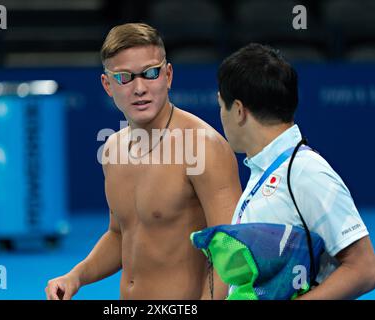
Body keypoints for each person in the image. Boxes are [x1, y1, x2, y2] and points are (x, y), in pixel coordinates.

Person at [45, 23, 242, 300]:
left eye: (150, 73)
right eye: (124, 77)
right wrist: (75, 276)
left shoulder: (203, 147)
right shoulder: (113, 149)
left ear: (168, 75)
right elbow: (119, 235)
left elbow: (230, 249)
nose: (139, 88)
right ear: (107, 85)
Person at [216, 43, 375, 299]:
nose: (220, 116)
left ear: (237, 110)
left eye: (221, 106)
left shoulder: (305, 172)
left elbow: (365, 268)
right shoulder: (265, 169)